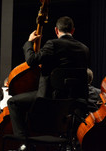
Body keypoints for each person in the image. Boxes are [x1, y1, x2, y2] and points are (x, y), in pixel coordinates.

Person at [7, 16, 90, 149]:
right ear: (73, 31)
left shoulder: (53, 44)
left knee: (13, 102)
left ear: (56, 30)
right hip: (72, 101)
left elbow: (32, 61)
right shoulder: (84, 49)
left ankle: (24, 143)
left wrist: (29, 43)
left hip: (49, 99)